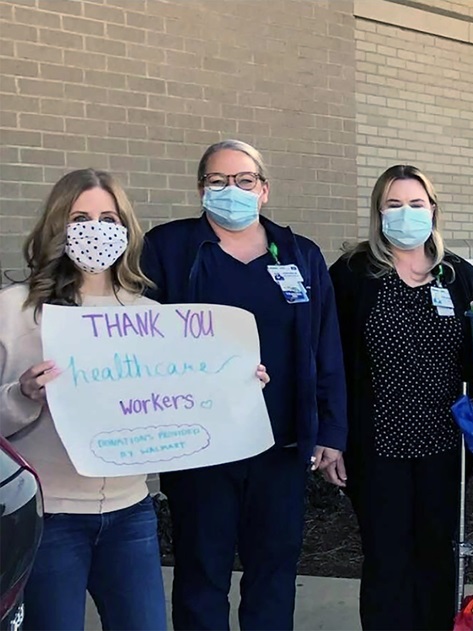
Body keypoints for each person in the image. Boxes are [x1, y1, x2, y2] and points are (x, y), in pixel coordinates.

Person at [140, 140, 348, 630]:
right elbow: (142, 339)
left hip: (280, 444)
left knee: (273, 571)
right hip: (201, 446)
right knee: (200, 572)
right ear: (200, 189)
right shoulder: (168, 249)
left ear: (264, 190)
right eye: (218, 181)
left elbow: (326, 346)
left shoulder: (300, 254)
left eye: (244, 180)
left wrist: (331, 431)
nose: (231, 189)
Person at [328, 165, 473, 630]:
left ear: (433, 209)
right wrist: (331, 433)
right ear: (378, 213)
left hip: (444, 446)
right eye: (394, 205)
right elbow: (331, 360)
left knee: (438, 557)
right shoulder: (353, 274)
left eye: (416, 204)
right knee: (386, 558)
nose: (406, 213)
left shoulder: (457, 275)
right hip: (377, 446)